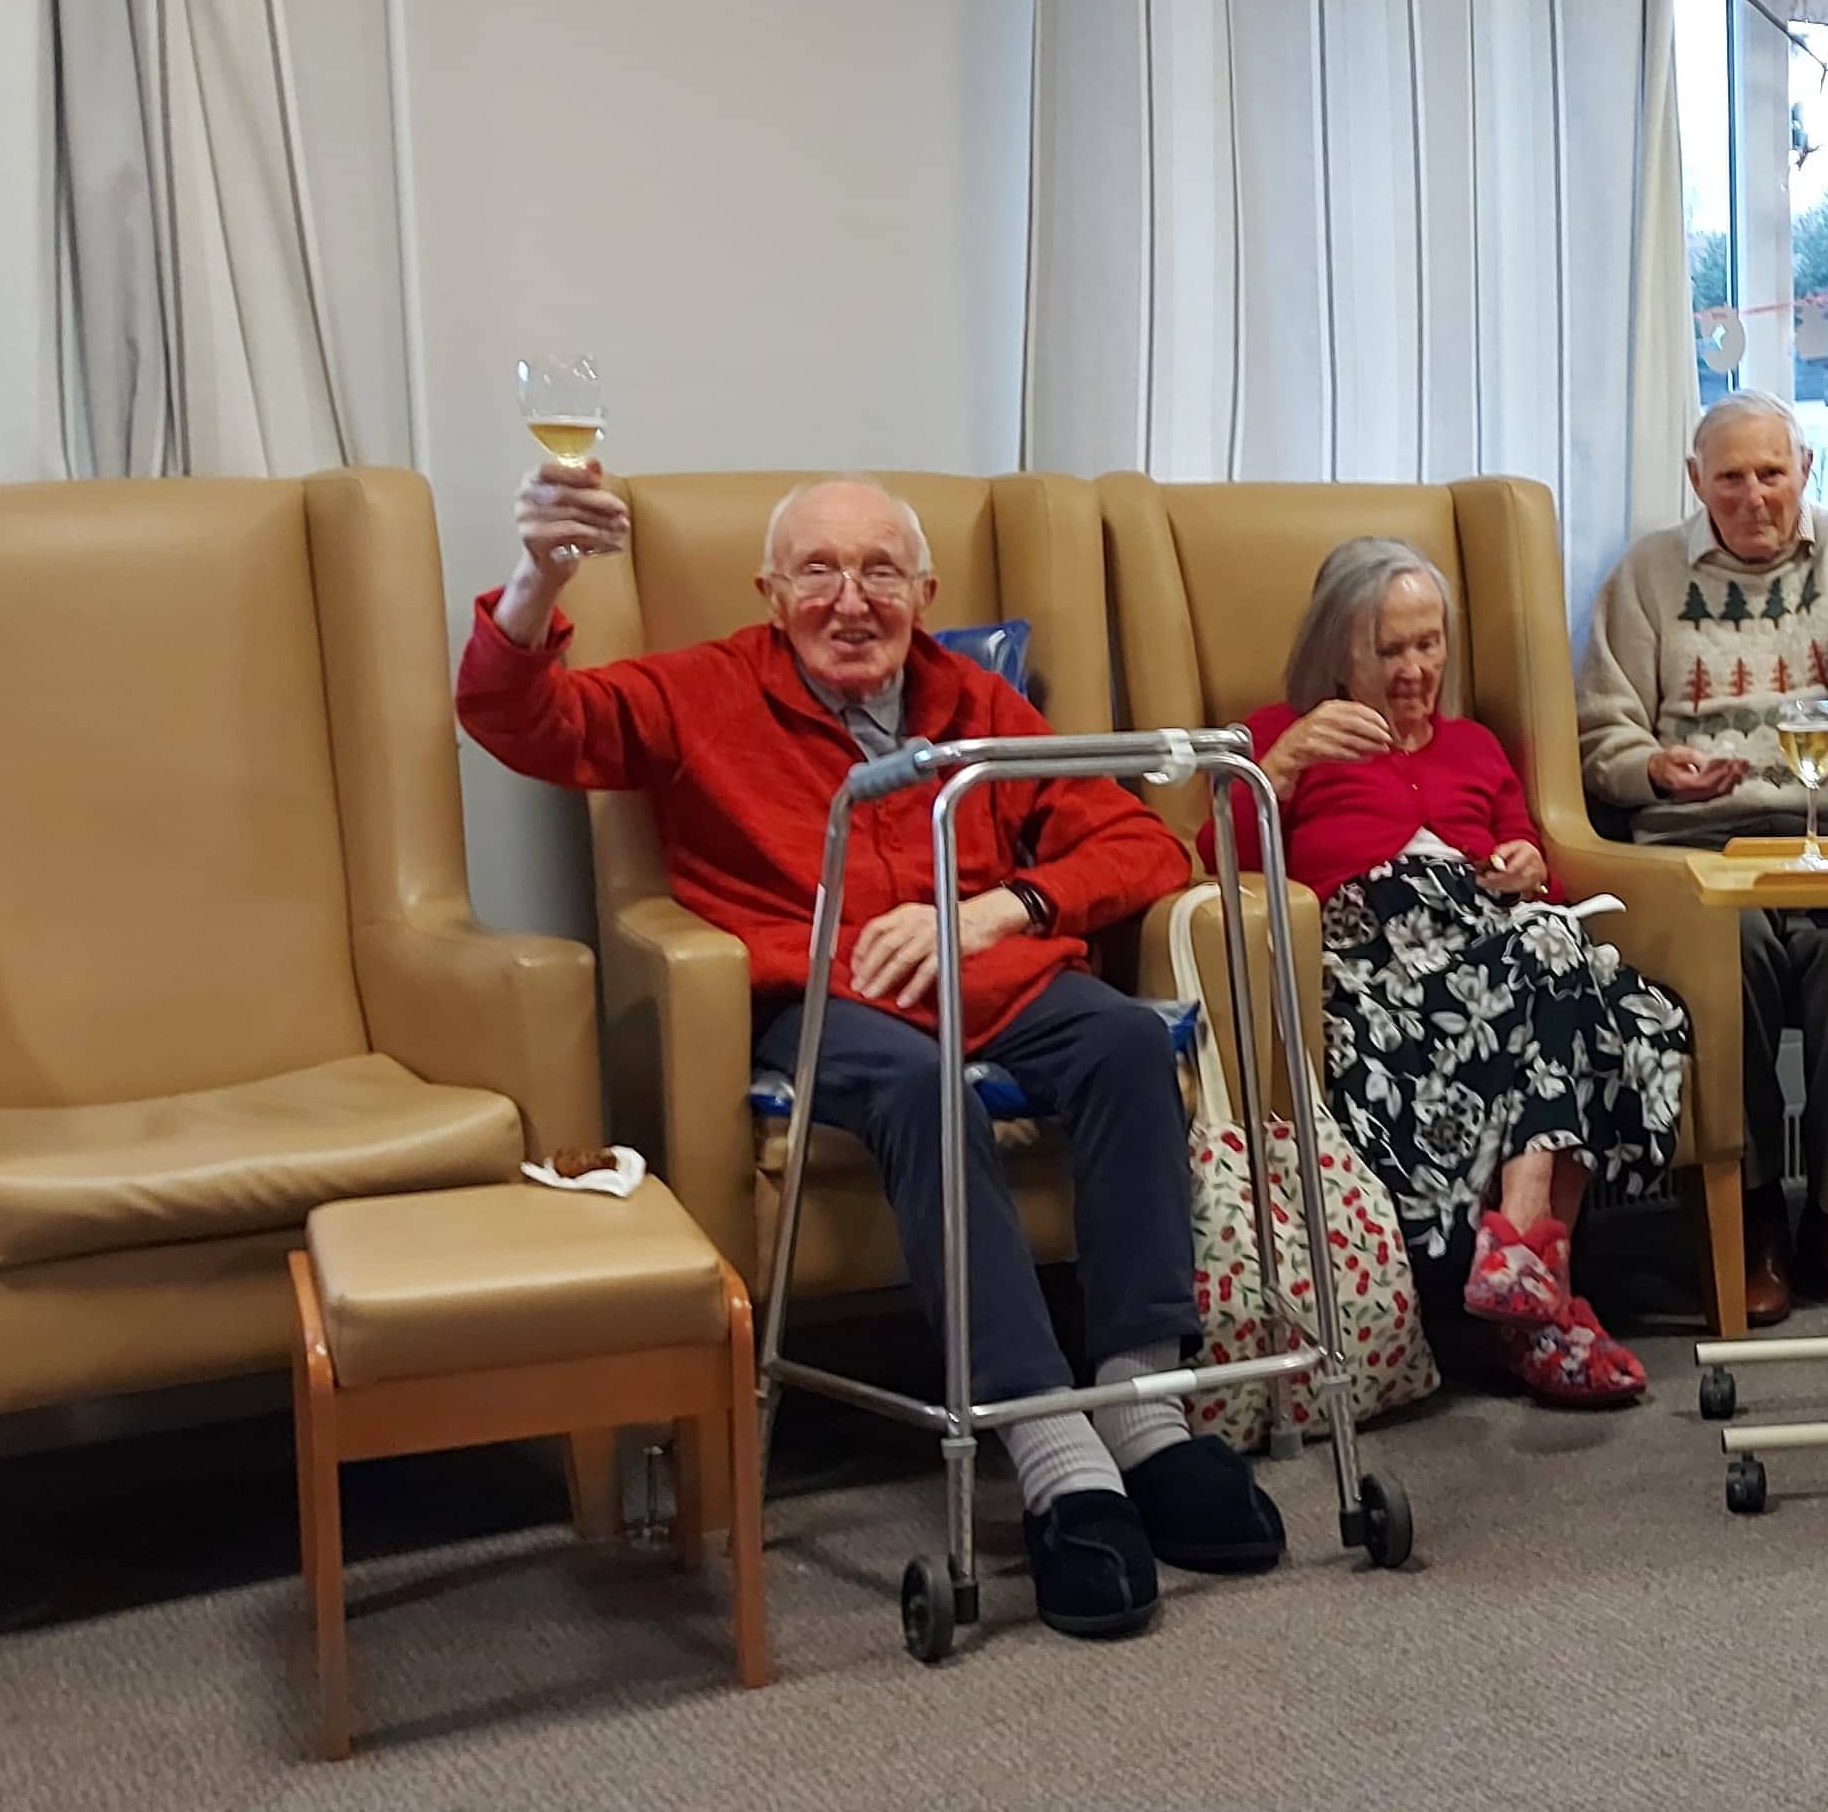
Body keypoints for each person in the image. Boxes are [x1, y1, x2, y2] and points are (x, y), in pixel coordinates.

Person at [460, 462, 1273, 1645]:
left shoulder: (975, 700)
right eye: (820, 572)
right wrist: (540, 575)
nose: (852, 599)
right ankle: (1051, 1449)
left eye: (881, 571)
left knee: (1119, 1042)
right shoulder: (703, 691)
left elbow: (1139, 844)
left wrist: (1013, 910)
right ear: (771, 590)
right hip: (824, 996)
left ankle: (1145, 1412)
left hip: (992, 977)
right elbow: (522, 722)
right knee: (918, 1089)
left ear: (925, 591)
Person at [1252, 537, 1690, 1410]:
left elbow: (1536, 871)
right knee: (1572, 972)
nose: (1417, 670)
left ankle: (1522, 1263)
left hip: (1492, 947)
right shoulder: (1279, 734)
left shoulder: (1475, 746)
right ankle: (1536, 1289)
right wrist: (1287, 761)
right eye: (1390, 650)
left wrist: (1529, 868)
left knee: (1650, 1015)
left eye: (1429, 643)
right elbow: (1214, 860)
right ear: (1339, 648)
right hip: (1378, 971)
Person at [1577, 389, 1828, 1323]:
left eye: (1772, 474)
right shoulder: (1647, 575)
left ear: (1802, 471)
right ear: (1695, 482)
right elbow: (1602, 735)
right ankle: (1751, 1224)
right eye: (1730, 478)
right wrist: (1655, 768)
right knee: (1735, 955)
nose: (1754, 497)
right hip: (1700, 850)